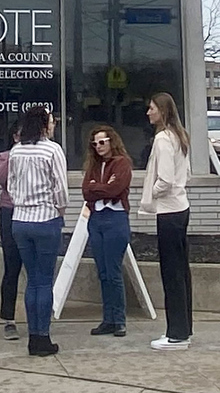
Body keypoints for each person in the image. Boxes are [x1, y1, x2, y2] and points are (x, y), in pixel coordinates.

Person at [6, 105, 67, 357]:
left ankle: (32, 335)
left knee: (31, 281)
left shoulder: (16, 150)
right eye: (51, 121)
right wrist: (59, 210)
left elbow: (10, 185)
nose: (53, 125)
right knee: (44, 281)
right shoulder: (53, 150)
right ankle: (43, 336)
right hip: (45, 218)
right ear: (44, 125)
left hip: (19, 220)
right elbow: (61, 189)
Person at [140, 92, 192, 351]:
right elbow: (187, 174)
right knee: (181, 271)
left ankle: (176, 334)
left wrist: (151, 193)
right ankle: (184, 328)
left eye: (151, 108)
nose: (148, 112)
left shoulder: (162, 139)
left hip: (168, 211)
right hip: (181, 208)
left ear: (162, 110)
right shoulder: (179, 136)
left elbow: (166, 179)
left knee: (170, 272)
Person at [82, 125, 133, 338]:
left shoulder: (122, 163)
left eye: (102, 142)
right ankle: (108, 319)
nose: (99, 146)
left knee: (113, 272)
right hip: (96, 219)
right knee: (102, 273)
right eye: (95, 143)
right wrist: (100, 188)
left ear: (112, 141)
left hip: (115, 219)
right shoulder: (93, 165)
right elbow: (86, 191)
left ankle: (119, 320)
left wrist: (98, 188)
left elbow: (116, 189)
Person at [0, 119, 24, 341]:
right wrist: (14, 155)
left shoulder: (40, 153)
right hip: (9, 210)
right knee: (11, 266)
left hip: (31, 210)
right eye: (19, 135)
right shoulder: (4, 156)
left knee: (35, 268)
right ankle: (9, 319)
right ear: (14, 137)